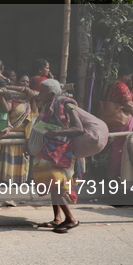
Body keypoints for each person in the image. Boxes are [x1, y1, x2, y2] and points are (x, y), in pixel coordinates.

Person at [32, 79, 83, 234]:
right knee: (51, 184)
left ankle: (71, 219)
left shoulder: (67, 104)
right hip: (49, 148)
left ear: (52, 93)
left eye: (42, 91)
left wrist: (57, 132)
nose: (39, 94)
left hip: (63, 150)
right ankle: (57, 219)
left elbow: (78, 128)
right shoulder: (48, 105)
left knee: (55, 183)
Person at [0, 74, 35, 184]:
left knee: (22, 158)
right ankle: (6, 180)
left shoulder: (28, 98)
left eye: (27, 82)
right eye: (23, 81)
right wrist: (2, 96)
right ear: (17, 82)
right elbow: (7, 108)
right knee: (9, 157)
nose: (25, 84)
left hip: (24, 135)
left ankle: (20, 180)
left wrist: (26, 89)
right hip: (13, 132)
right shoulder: (12, 97)